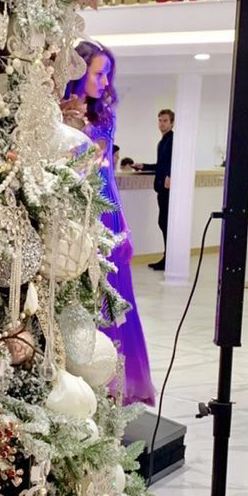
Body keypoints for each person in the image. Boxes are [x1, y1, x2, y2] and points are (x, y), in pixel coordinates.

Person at [64, 41, 156, 406]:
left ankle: (113, 381)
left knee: (114, 296)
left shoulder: (105, 117)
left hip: (105, 213)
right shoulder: (57, 111)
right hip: (71, 212)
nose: (105, 82)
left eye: (108, 75)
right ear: (78, 70)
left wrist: (123, 224)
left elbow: (108, 177)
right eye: (99, 73)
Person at [133, 109, 175, 271]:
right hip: (161, 188)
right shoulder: (163, 141)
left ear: (172, 123)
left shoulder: (172, 140)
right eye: (160, 120)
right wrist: (144, 166)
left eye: (165, 121)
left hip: (168, 188)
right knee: (163, 222)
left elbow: (174, 161)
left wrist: (170, 175)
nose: (162, 124)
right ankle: (167, 257)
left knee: (166, 223)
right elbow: (160, 165)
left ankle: (169, 259)